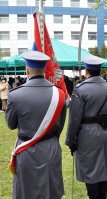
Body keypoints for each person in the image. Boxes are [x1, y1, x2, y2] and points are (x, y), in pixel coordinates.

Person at [5, 50, 66, 199]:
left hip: (27, 151)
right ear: (45, 69)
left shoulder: (15, 95)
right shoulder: (59, 94)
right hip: (51, 147)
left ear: (27, 69)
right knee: (51, 191)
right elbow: (60, 124)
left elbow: (11, 124)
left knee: (26, 192)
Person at [65, 55, 107, 199]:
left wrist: (70, 140)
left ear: (87, 70)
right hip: (104, 129)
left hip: (87, 132)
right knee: (101, 168)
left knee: (90, 169)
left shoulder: (80, 89)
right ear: (100, 70)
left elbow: (74, 119)